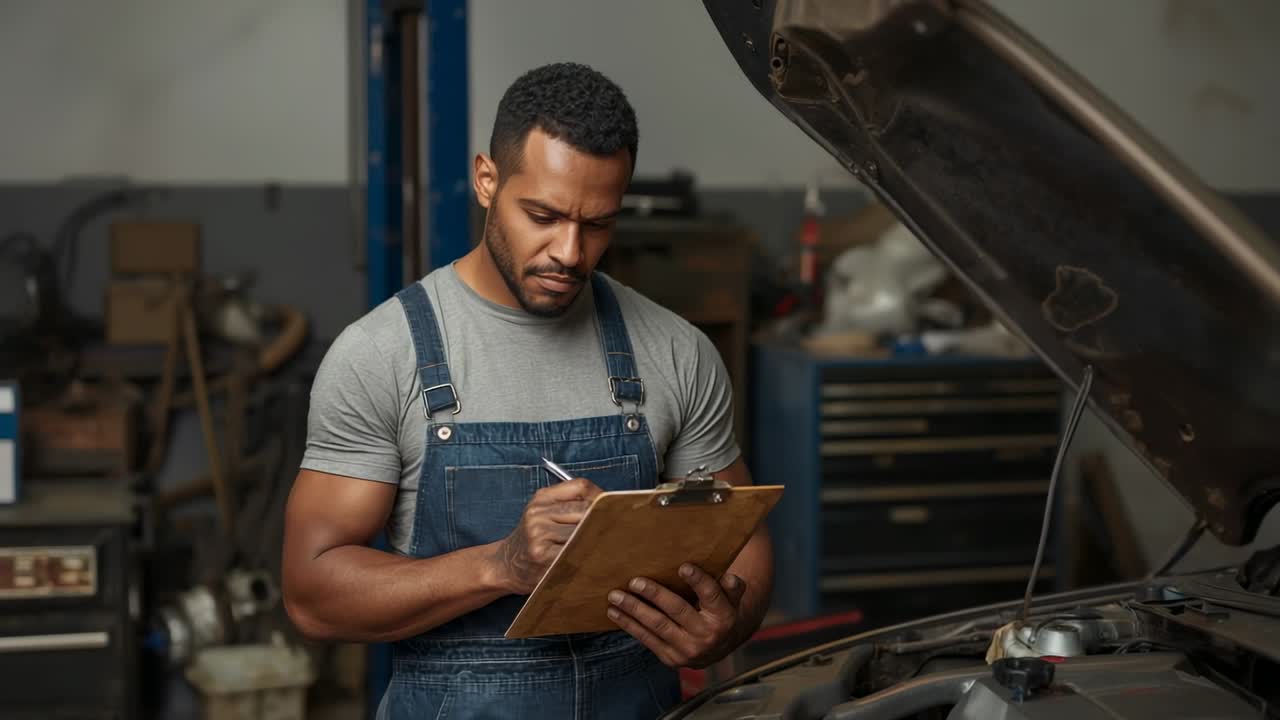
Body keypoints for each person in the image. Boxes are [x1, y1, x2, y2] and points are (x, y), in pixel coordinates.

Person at [282, 62, 774, 719]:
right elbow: (311, 592)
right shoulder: (382, 354)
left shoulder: (675, 352)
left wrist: (727, 624)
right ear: (487, 180)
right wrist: (499, 565)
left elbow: (743, 536)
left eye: (597, 224)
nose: (569, 252)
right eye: (542, 215)